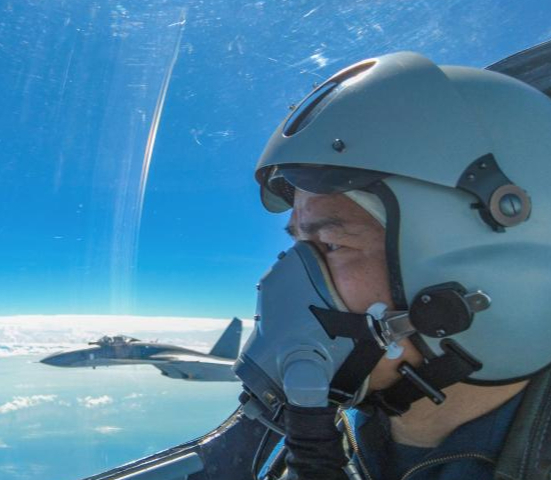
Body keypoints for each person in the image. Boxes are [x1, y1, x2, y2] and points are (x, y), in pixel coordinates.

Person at [233, 51, 551, 480]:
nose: (286, 281)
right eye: (298, 245)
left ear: (479, 264)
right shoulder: (305, 442)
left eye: (330, 244)